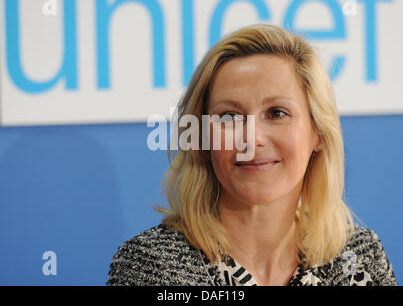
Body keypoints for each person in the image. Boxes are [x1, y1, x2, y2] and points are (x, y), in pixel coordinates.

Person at [107, 24, 398, 286]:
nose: (251, 138)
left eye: (277, 113)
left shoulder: (360, 257)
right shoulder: (153, 266)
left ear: (318, 133)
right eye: (230, 116)